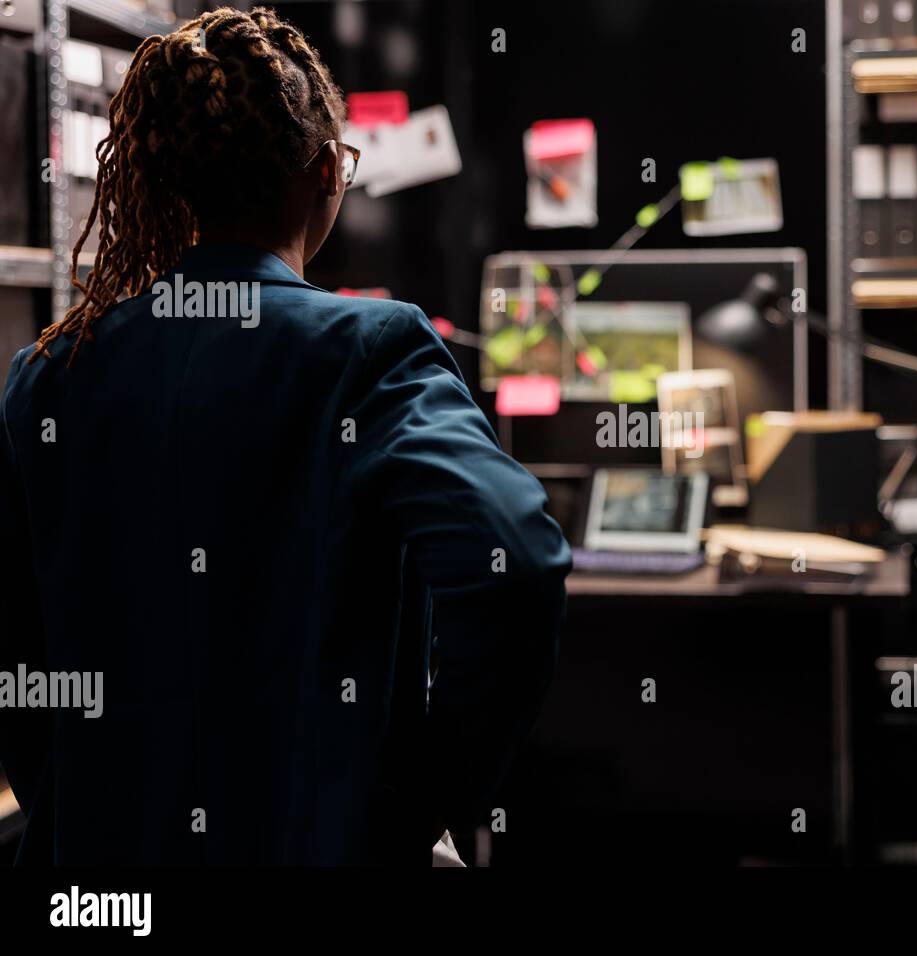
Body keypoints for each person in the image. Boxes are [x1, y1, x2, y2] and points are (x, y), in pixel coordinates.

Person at [0, 7, 570, 865]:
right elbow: (516, 564)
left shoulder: (47, 375)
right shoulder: (370, 350)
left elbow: (15, 657)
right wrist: (416, 809)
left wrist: (71, 804)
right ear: (325, 174)